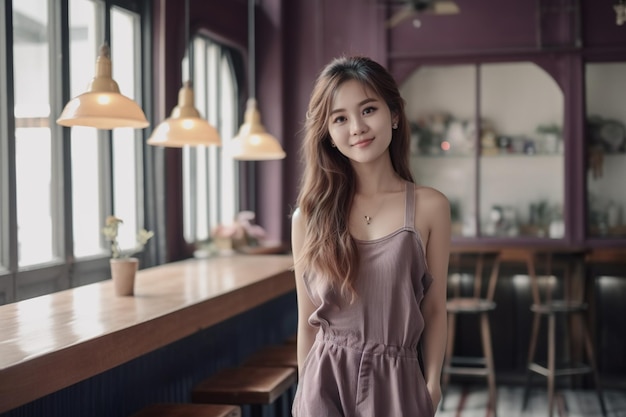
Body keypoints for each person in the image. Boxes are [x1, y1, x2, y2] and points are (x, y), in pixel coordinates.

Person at [290, 55, 451, 416]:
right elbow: (306, 320)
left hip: (398, 381)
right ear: (328, 133)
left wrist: (432, 385)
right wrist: (305, 393)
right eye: (340, 118)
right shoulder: (308, 217)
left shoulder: (430, 207)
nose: (356, 127)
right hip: (323, 382)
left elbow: (435, 307)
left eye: (368, 110)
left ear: (394, 114)